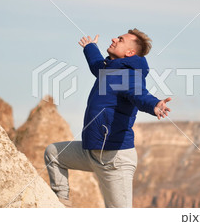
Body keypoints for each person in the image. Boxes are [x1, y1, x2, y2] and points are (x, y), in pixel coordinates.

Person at [44, 28, 171, 208]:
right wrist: (90, 47)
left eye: (120, 39)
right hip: (92, 152)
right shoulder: (109, 69)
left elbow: (140, 95)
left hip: (115, 160)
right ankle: (61, 203)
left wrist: (155, 104)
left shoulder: (128, 75)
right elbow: (97, 65)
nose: (114, 39)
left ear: (129, 52)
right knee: (53, 153)